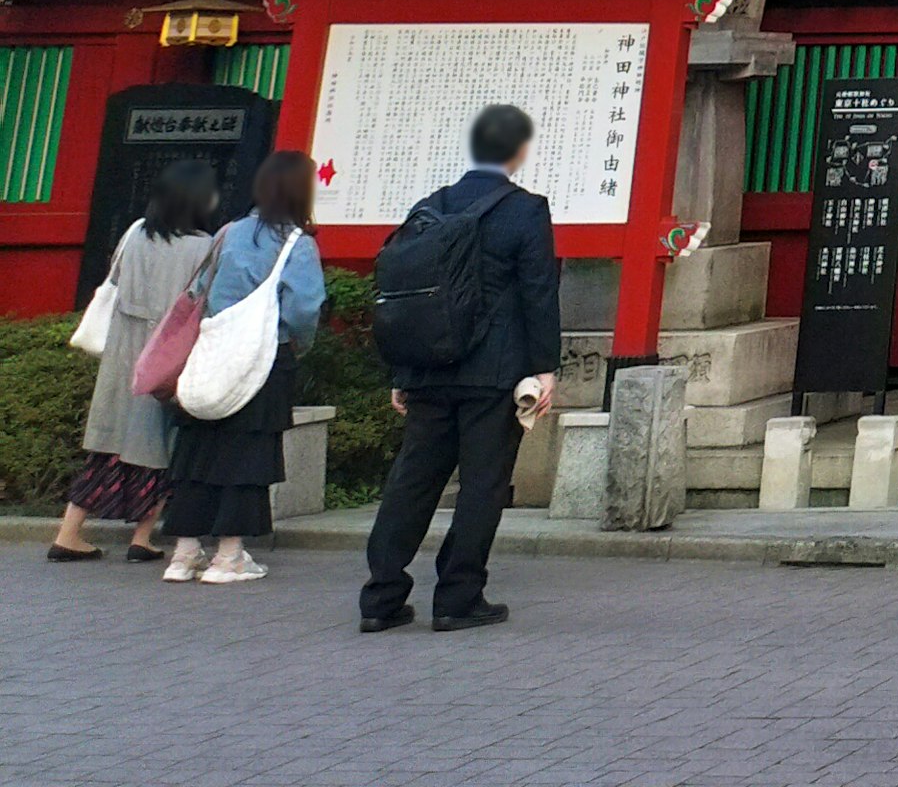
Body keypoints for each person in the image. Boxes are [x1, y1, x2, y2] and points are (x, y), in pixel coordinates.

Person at [362, 101, 561, 634]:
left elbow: (406, 291)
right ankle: (457, 598)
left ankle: (380, 598)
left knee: (411, 481)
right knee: (482, 486)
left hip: (427, 366)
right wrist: (545, 369)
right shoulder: (527, 210)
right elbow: (539, 293)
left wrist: (402, 372)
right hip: (493, 373)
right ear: (519, 152)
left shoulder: (430, 206)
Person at [159, 148, 323, 585]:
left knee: (198, 450)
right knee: (248, 453)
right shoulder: (297, 243)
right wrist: (294, 347)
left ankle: (184, 553)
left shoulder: (228, 232)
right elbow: (304, 309)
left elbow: (198, 290)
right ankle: (229, 556)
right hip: (264, 359)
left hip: (212, 354)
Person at [51, 160, 219, 565]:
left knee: (107, 448)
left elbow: (114, 281)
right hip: (166, 358)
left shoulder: (135, 234)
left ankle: (68, 533)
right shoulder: (205, 246)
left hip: (122, 356)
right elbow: (204, 302)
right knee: (160, 447)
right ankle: (142, 539)